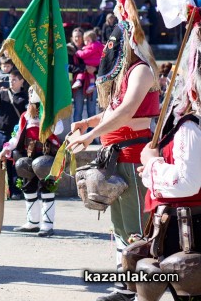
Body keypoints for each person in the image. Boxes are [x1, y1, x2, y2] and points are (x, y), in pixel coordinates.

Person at [68, 23, 160, 301]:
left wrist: (91, 137)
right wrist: (88, 122)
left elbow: (127, 112)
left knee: (136, 227)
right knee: (120, 228)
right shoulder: (127, 73)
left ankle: (141, 288)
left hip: (133, 156)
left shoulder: (142, 70)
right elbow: (112, 110)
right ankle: (125, 286)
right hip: (116, 155)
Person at [134, 57, 201, 301]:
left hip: (188, 229)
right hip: (175, 223)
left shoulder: (189, 127)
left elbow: (187, 182)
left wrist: (152, 163)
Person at [0, 87, 63, 237]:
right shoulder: (25, 116)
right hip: (28, 155)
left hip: (46, 157)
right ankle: (32, 222)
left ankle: (47, 224)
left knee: (46, 187)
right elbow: (17, 136)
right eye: (32, 92)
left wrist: (48, 114)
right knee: (26, 181)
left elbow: (58, 130)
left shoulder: (51, 115)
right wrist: (6, 149)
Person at [0, 68, 28, 200]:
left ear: (22, 81)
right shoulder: (3, 94)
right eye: (10, 80)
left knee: (15, 164)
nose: (11, 82)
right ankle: (5, 190)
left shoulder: (25, 97)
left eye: (14, 80)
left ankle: (16, 190)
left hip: (16, 136)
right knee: (3, 163)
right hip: (2, 134)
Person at [72, 30, 104, 95]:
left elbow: (84, 54)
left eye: (79, 36)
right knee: (89, 72)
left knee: (84, 71)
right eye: (75, 37)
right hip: (95, 62)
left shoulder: (91, 46)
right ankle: (91, 84)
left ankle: (79, 80)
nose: (77, 39)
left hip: (91, 62)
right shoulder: (98, 45)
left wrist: (78, 52)